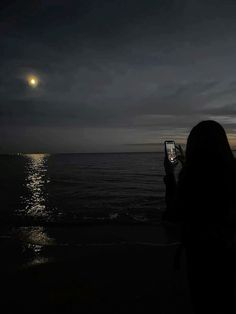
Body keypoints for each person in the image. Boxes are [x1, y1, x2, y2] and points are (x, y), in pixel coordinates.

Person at [163, 120, 236, 314]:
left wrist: (170, 175)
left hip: (201, 260)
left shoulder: (191, 180)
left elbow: (173, 214)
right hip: (228, 257)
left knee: (204, 303)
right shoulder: (231, 174)